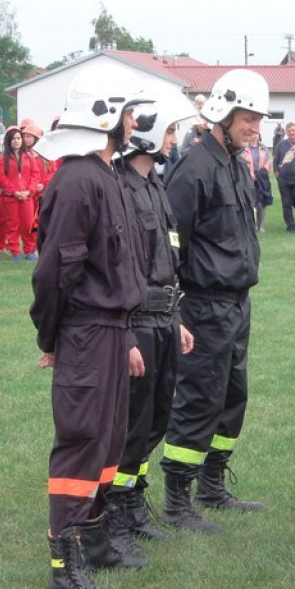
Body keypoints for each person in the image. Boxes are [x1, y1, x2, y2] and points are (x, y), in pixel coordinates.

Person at [30, 65, 149, 589]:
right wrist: (52, 337)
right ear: (107, 117)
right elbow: (56, 271)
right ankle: (64, 565)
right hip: (86, 333)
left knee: (108, 441)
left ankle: (97, 540)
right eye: (129, 113)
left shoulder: (106, 174)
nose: (134, 123)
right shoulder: (79, 180)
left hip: (111, 331)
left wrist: (124, 335)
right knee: (81, 444)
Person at [160, 68, 268, 532]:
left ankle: (212, 484)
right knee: (199, 398)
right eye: (249, 118)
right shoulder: (195, 168)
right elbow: (169, 245)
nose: (255, 128)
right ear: (223, 114)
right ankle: (176, 500)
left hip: (236, 305)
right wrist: (176, 307)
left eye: (258, 120)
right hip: (203, 306)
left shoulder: (235, 163)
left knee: (231, 395)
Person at [112, 88, 197, 540]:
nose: (173, 139)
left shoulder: (155, 186)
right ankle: (116, 510)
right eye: (169, 130)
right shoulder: (120, 188)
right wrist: (126, 335)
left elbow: (168, 258)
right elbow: (116, 270)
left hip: (164, 320)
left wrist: (177, 318)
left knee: (156, 419)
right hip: (138, 324)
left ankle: (133, 499)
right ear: (146, 132)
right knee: (132, 423)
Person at [0, 125, 39, 261]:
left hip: (27, 197)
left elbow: (35, 175)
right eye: (13, 139)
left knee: (28, 224)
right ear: (8, 141)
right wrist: (14, 192)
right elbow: (1, 178)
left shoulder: (29, 157)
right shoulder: (2, 158)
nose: (16, 141)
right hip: (10, 198)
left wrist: (29, 191)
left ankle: (29, 250)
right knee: (12, 225)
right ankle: (15, 251)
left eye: (19, 138)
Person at [242, 130, 272, 231]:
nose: (254, 136)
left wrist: (262, 173)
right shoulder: (244, 148)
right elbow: (242, 161)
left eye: (256, 134)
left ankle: (260, 225)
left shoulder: (264, 148)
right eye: (252, 134)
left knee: (263, 202)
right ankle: (252, 224)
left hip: (262, 178)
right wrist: (250, 174)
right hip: (248, 178)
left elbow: (268, 162)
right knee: (250, 201)